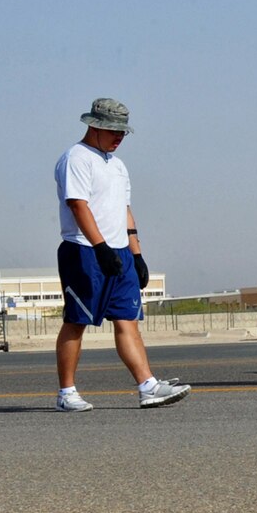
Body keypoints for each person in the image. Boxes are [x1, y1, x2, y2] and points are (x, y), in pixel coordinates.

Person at [53, 99, 191, 412]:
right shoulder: (76, 158)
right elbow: (78, 205)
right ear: (94, 125)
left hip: (120, 253)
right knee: (77, 322)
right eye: (113, 130)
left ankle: (148, 386)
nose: (119, 137)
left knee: (128, 321)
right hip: (84, 250)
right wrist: (100, 246)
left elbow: (125, 210)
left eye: (123, 132)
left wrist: (136, 254)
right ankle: (67, 392)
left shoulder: (116, 165)